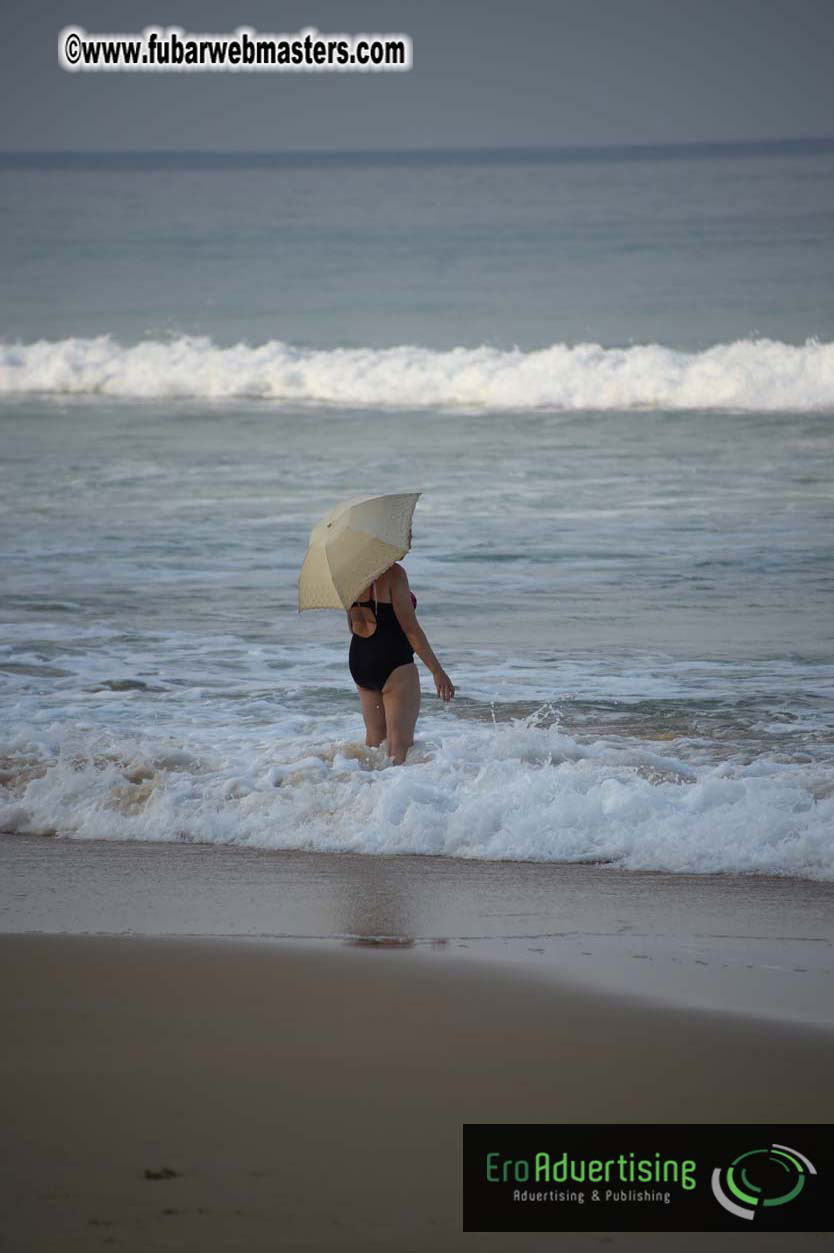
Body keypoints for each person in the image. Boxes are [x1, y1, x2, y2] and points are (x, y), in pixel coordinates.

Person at [347, 531, 454, 765]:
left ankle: (364, 785)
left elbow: (352, 624)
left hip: (360, 660)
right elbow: (411, 629)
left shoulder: (350, 576)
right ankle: (394, 786)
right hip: (393, 661)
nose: (409, 544)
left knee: (374, 744)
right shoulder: (394, 574)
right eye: (407, 538)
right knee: (399, 747)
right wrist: (437, 672)